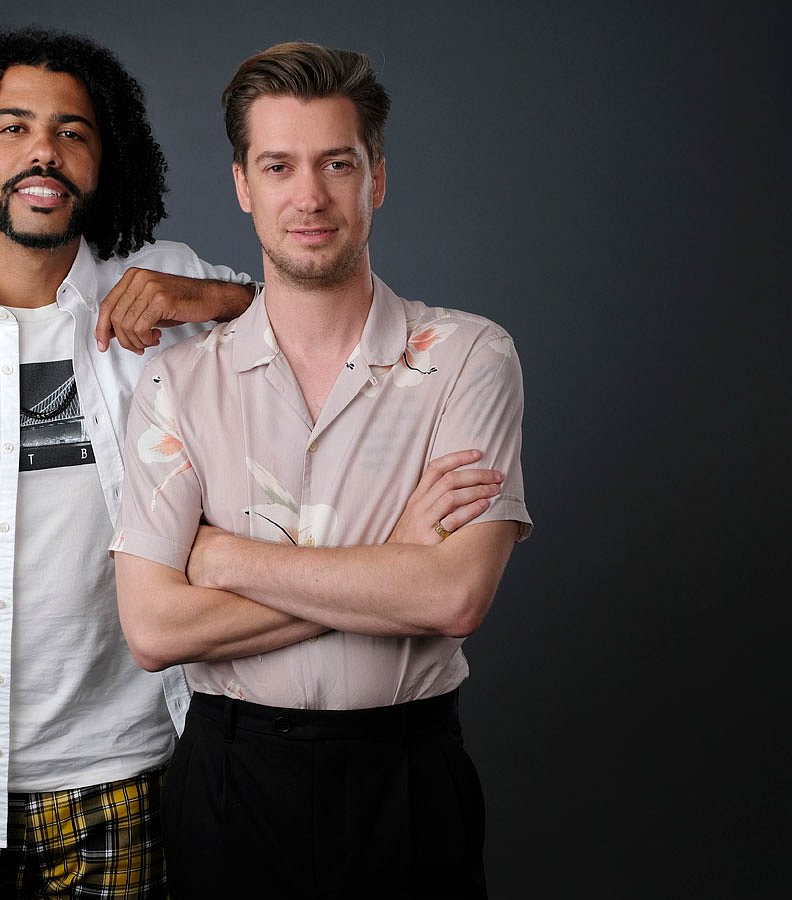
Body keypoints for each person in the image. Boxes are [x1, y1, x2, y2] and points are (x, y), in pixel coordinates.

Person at [0, 26, 501, 900]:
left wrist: (209, 296)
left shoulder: (167, 285)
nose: (43, 150)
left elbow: (307, 287)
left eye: (73, 132)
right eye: (11, 127)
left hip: (127, 767)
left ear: (100, 164)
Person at [112, 41, 532, 899]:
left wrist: (224, 558)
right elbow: (154, 629)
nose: (309, 196)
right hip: (230, 781)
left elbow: (452, 599)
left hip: (407, 780)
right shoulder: (178, 380)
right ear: (243, 185)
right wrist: (391, 566)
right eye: (279, 166)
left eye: (336, 163)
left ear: (376, 175)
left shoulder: (469, 357)